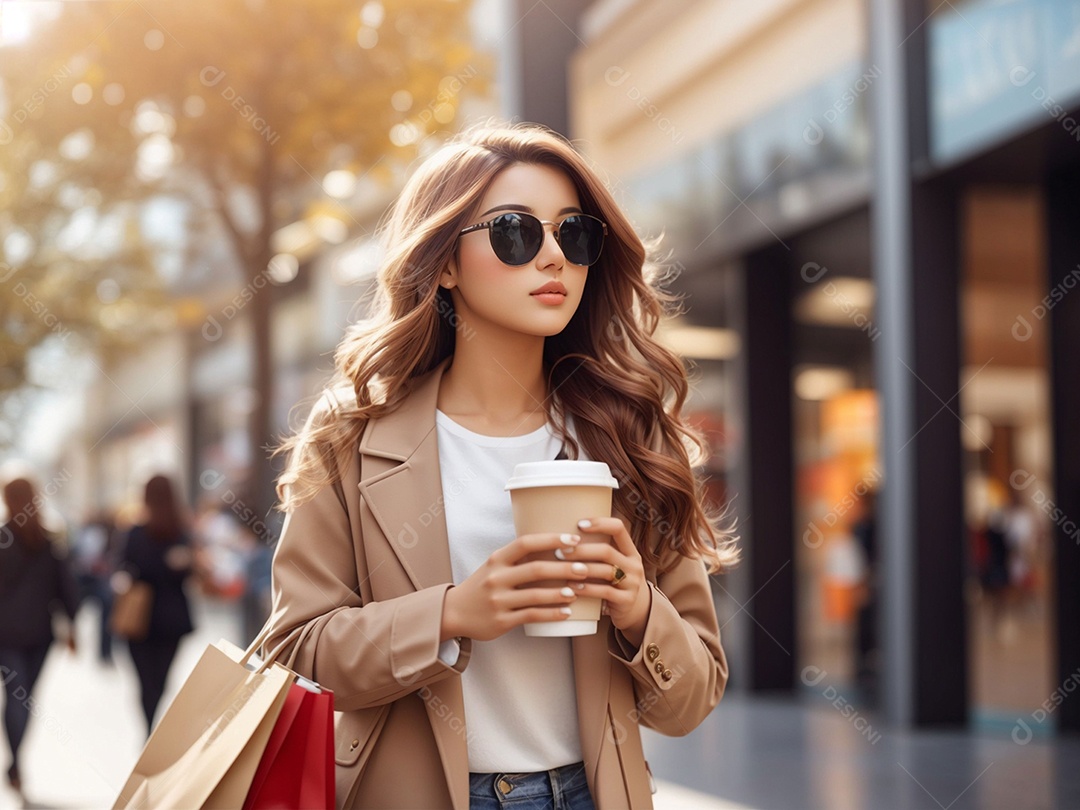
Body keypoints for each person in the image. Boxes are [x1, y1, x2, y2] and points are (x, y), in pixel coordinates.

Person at [265, 123, 738, 810]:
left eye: (573, 234)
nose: (553, 257)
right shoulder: (351, 433)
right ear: (445, 262)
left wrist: (638, 606)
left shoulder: (628, 434)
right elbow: (299, 650)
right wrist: (455, 615)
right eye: (515, 233)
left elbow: (691, 699)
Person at [0, 475, 80, 797]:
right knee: (25, 697)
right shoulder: (47, 539)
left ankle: (16, 761)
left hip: (6, 633)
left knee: (16, 696)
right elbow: (67, 587)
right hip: (39, 633)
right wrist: (71, 624)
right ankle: (17, 762)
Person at [116, 475, 195, 733]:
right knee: (160, 681)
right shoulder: (181, 532)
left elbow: (123, 568)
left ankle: (148, 729)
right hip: (172, 618)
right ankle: (151, 730)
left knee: (145, 682)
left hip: (139, 618)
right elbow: (190, 573)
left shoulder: (135, 532)